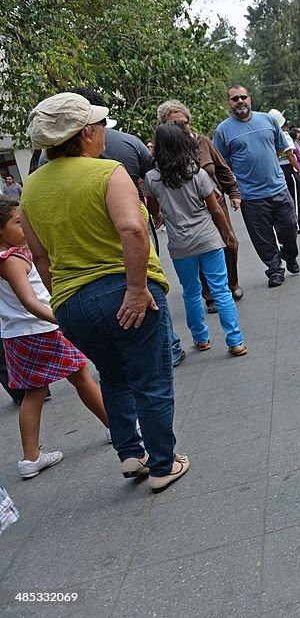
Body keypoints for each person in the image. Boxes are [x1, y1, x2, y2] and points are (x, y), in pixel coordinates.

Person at [22, 92, 188, 492]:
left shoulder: (31, 189)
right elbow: (133, 229)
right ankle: (163, 464)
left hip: (70, 303)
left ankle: (131, 452)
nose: (102, 134)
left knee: (112, 377)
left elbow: (40, 258)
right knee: (151, 379)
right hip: (122, 290)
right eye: (98, 127)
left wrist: (61, 297)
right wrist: (135, 288)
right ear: (86, 133)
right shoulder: (107, 172)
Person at [0, 197, 109, 479]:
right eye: (18, 222)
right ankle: (116, 427)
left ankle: (30, 457)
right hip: (39, 330)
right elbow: (28, 300)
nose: (25, 227)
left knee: (34, 392)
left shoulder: (10, 256)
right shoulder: (11, 261)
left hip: (17, 335)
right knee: (81, 375)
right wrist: (57, 317)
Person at [146, 123, 246, 357]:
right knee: (221, 291)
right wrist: (228, 234)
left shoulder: (152, 178)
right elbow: (215, 210)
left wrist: (162, 212)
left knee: (191, 292)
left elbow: (153, 209)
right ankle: (235, 341)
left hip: (180, 245)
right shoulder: (196, 173)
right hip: (208, 239)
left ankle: (200, 338)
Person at [156, 99, 245, 308]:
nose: (181, 127)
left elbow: (222, 169)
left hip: (216, 202)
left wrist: (234, 192)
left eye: (184, 122)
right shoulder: (164, 152)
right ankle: (210, 294)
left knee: (229, 243)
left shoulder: (203, 142)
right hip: (186, 209)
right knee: (200, 250)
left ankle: (232, 284)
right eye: (174, 124)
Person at [213, 84, 300, 288]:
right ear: (229, 103)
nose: (240, 101)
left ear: (250, 99)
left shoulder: (268, 120)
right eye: (235, 99)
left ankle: (290, 256)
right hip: (251, 196)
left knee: (290, 227)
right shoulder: (223, 130)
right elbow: (222, 163)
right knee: (262, 237)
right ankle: (275, 269)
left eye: (243, 97)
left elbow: (279, 148)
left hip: (278, 188)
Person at [268, 109, 300, 235]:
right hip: (288, 169)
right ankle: (298, 225)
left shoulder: (269, 135)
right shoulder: (283, 135)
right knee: (296, 198)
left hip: (276, 169)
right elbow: (290, 155)